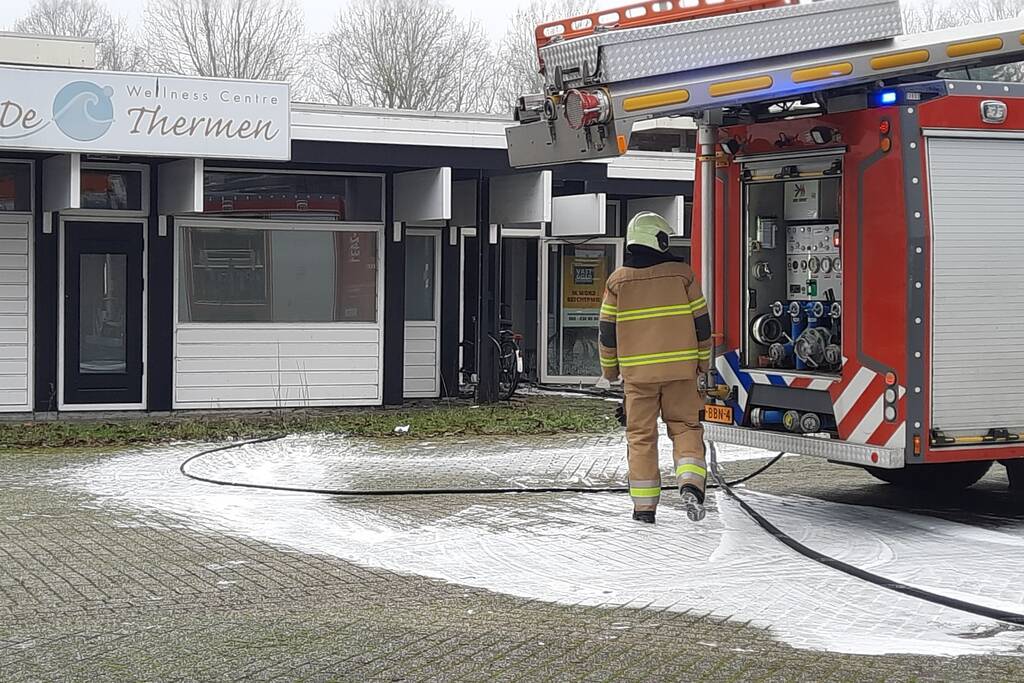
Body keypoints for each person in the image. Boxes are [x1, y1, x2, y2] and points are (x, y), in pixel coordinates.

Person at [595, 211, 712, 524]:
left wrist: (610, 373)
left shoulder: (617, 281)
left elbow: (607, 332)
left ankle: (644, 509)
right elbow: (702, 324)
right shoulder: (682, 275)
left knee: (641, 438)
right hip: (681, 374)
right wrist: (703, 362)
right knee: (686, 428)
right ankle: (690, 484)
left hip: (638, 379)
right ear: (659, 240)